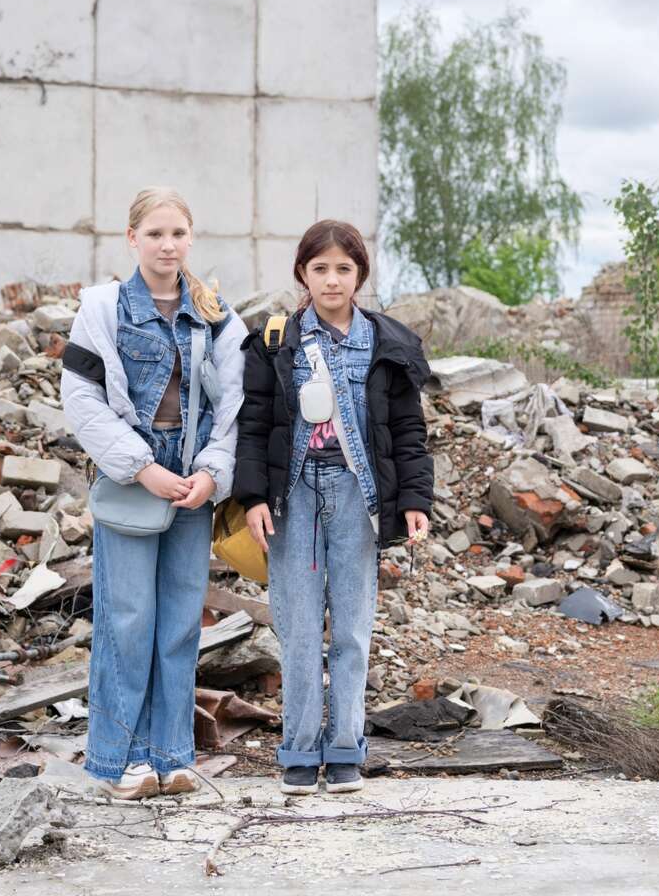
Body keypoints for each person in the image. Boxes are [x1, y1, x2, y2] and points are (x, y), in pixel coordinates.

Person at [233, 219, 433, 794]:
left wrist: (415, 500)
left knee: (351, 628)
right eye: (319, 268)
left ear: (360, 275)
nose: (331, 279)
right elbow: (253, 425)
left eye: (343, 268)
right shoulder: (276, 342)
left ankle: (345, 749)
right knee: (297, 630)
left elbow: (407, 431)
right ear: (302, 273)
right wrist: (251, 498)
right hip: (293, 498)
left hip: (356, 497)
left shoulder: (389, 344)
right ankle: (298, 751)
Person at [62, 187, 246, 798]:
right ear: (132, 238)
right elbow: (82, 401)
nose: (167, 245)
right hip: (132, 480)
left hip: (193, 484)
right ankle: (123, 761)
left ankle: (172, 757)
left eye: (178, 234)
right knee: (128, 619)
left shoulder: (217, 315)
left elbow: (236, 407)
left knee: (178, 625)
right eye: (155, 234)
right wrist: (141, 467)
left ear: (191, 239)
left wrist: (213, 473)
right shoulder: (103, 308)